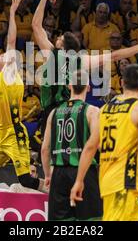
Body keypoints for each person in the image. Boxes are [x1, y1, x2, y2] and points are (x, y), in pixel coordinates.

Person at [32, 0, 138, 144]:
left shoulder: (52, 53)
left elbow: (36, 25)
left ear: (63, 44)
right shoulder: (81, 60)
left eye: (59, 38)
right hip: (69, 111)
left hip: (53, 111)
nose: (56, 39)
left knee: (51, 154)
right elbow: (114, 55)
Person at [0, 0, 48, 221]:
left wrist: (12, 11)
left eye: (2, 56)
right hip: (1, 135)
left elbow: (11, 40)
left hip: (16, 134)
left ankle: (61, 192)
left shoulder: (10, 74)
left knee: (26, 180)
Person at [71, 64, 138, 221]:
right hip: (125, 180)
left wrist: (79, 180)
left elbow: (91, 146)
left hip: (106, 179)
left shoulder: (105, 108)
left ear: (121, 82)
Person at [41, 70, 102, 221]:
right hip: (85, 173)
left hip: (59, 174)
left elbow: (44, 149)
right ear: (88, 87)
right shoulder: (92, 111)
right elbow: (98, 145)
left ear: (69, 86)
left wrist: (48, 174)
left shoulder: (54, 112)